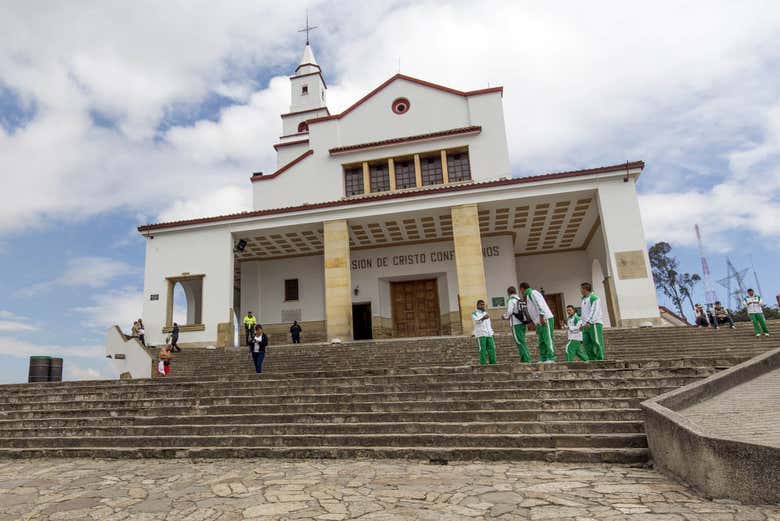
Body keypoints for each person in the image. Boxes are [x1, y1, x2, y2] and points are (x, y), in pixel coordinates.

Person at [519, 282, 556, 363]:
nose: (521, 292)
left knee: (548, 339)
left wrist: (542, 316)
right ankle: (543, 358)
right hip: (539, 322)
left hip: (545, 319)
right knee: (541, 341)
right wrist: (536, 323)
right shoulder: (528, 296)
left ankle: (551, 357)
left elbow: (539, 305)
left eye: (520, 290)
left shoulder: (533, 293)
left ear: (522, 289)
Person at [503, 286, 531, 362]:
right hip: (522, 322)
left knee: (519, 341)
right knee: (522, 340)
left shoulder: (511, 300)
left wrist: (505, 317)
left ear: (508, 293)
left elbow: (509, 312)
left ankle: (526, 359)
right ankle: (523, 358)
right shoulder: (519, 299)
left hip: (515, 324)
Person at [580, 282, 605, 361]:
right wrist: (582, 323)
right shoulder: (584, 299)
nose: (580, 290)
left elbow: (594, 311)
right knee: (586, 343)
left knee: (597, 341)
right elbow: (584, 313)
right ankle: (592, 359)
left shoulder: (594, 298)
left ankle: (600, 359)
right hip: (585, 325)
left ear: (585, 289)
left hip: (594, 323)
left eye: (581, 288)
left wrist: (589, 321)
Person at [472, 300, 496, 365]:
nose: (482, 306)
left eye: (483, 304)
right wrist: (483, 318)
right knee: (482, 349)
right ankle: (483, 363)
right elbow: (477, 321)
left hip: (489, 334)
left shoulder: (486, 313)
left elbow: (489, 323)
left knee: (492, 348)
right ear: (477, 305)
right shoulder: (474, 313)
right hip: (481, 334)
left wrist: (491, 332)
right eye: (481, 304)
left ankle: (493, 362)